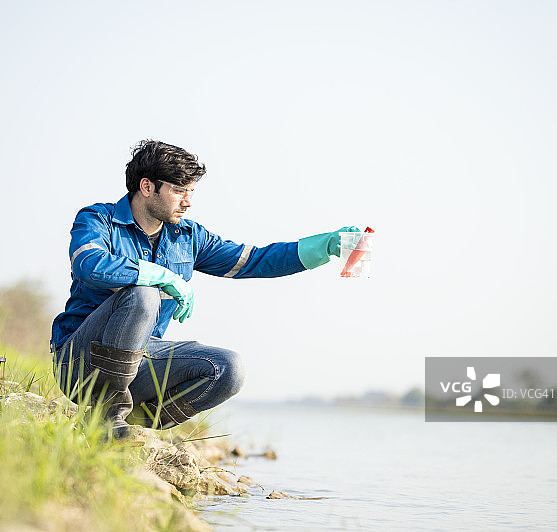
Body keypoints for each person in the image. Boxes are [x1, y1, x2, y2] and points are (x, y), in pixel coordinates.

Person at [50, 139, 357, 438]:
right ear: (147, 187)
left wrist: (325, 246)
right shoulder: (97, 219)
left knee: (228, 368)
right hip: (79, 362)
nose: (188, 200)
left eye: (191, 191)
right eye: (178, 190)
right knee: (143, 292)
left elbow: (255, 260)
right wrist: (161, 277)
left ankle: (135, 424)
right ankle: (106, 417)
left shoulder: (189, 236)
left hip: (139, 361)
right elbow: (88, 263)